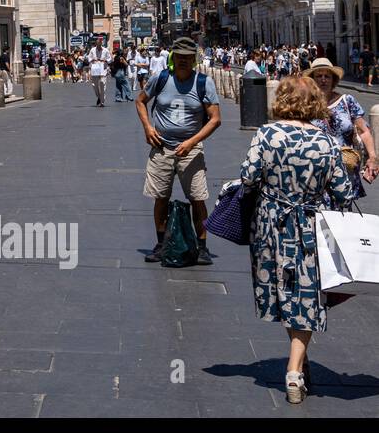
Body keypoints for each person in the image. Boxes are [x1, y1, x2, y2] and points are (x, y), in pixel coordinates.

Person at [239, 76, 354, 403]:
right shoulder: (327, 142)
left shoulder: (267, 134)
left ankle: (293, 368)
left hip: (270, 225)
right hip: (308, 227)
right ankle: (296, 368)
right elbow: (344, 194)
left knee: (283, 291)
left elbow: (248, 176)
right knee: (305, 295)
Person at [136, 37, 221, 266]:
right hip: (161, 147)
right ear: (173, 58)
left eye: (187, 57)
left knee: (198, 197)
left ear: (194, 60)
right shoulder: (162, 78)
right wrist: (148, 127)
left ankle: (202, 247)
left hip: (191, 149)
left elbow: (215, 119)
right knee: (160, 197)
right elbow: (140, 101)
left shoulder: (204, 82)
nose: (183, 60)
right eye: (179, 56)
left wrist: (192, 142)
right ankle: (161, 243)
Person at [307, 57, 377, 199]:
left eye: (327, 76)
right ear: (312, 80)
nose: (323, 80)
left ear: (333, 80)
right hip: (314, 172)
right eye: (318, 76)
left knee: (343, 218)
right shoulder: (305, 104)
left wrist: (373, 158)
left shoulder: (347, 100)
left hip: (346, 169)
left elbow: (364, 131)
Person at [87, 40, 109, 107]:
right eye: (97, 45)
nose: (98, 46)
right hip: (95, 68)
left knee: (102, 83)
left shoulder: (105, 50)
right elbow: (89, 58)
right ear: (96, 44)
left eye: (100, 45)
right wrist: (92, 60)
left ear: (101, 44)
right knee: (94, 85)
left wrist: (105, 60)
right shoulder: (92, 50)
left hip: (103, 69)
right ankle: (99, 97)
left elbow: (110, 59)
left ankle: (102, 101)